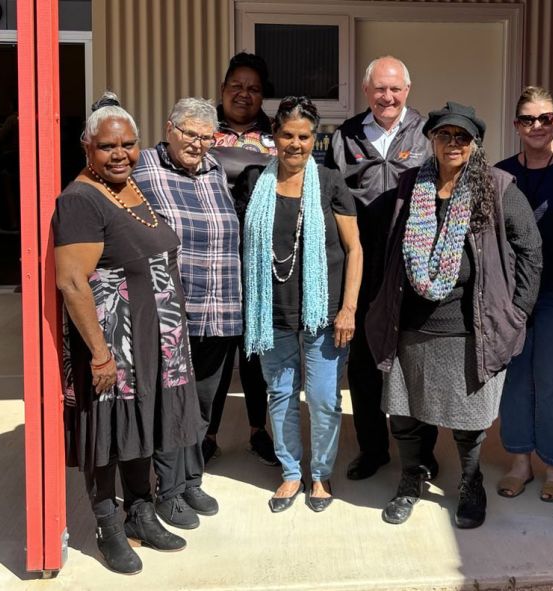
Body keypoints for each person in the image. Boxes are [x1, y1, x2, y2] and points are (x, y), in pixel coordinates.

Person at [366, 102, 542, 528]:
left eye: (462, 136)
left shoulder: (498, 187)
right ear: (431, 139)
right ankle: (411, 478)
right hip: (410, 325)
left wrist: (517, 311)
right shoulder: (411, 185)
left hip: (469, 329)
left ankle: (469, 483)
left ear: (474, 143)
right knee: (405, 415)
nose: (452, 143)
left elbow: (530, 251)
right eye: (444, 135)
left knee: (469, 423)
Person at [52, 93, 200, 574]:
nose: (120, 154)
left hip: (151, 338)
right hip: (113, 342)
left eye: (129, 145)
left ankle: (141, 511)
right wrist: (98, 354)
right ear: (87, 147)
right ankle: (108, 526)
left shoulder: (130, 186)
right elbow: (72, 281)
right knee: (108, 435)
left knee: (140, 427)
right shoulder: (79, 199)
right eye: (107, 147)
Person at [233, 96, 363, 513]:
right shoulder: (255, 181)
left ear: (314, 139)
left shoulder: (330, 183)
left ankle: (321, 474)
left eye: (304, 136)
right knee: (281, 394)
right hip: (271, 313)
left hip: (324, 315)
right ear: (274, 137)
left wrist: (349, 309)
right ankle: (291, 473)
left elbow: (354, 248)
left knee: (324, 398)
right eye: (287, 135)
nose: (295, 144)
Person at [132, 97, 237, 529]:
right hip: (170, 309)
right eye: (188, 133)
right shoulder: (143, 168)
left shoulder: (216, 173)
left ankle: (192, 479)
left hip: (221, 306)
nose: (197, 143)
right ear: (169, 127)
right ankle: (169, 490)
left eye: (205, 136)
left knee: (203, 401)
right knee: (171, 402)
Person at [325, 55, 430, 481]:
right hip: (362, 266)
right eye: (379, 89)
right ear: (366, 91)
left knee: (415, 361)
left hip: (413, 266)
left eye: (395, 88)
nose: (387, 97)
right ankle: (373, 449)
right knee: (366, 363)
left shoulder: (428, 131)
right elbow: (330, 194)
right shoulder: (346, 134)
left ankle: (420, 452)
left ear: (408, 90)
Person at [494, 87, 553, 502]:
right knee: (515, 379)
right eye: (528, 119)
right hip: (512, 295)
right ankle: (521, 460)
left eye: (545, 118)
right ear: (516, 126)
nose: (537, 126)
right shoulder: (502, 174)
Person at [202, 51, 278, 466]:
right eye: (237, 86)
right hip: (209, 259)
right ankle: (207, 434)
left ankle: (256, 430)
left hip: (259, 260)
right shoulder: (202, 130)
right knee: (215, 350)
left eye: (253, 88)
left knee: (253, 349)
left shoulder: (275, 135)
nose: (243, 94)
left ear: (262, 95)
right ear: (223, 89)